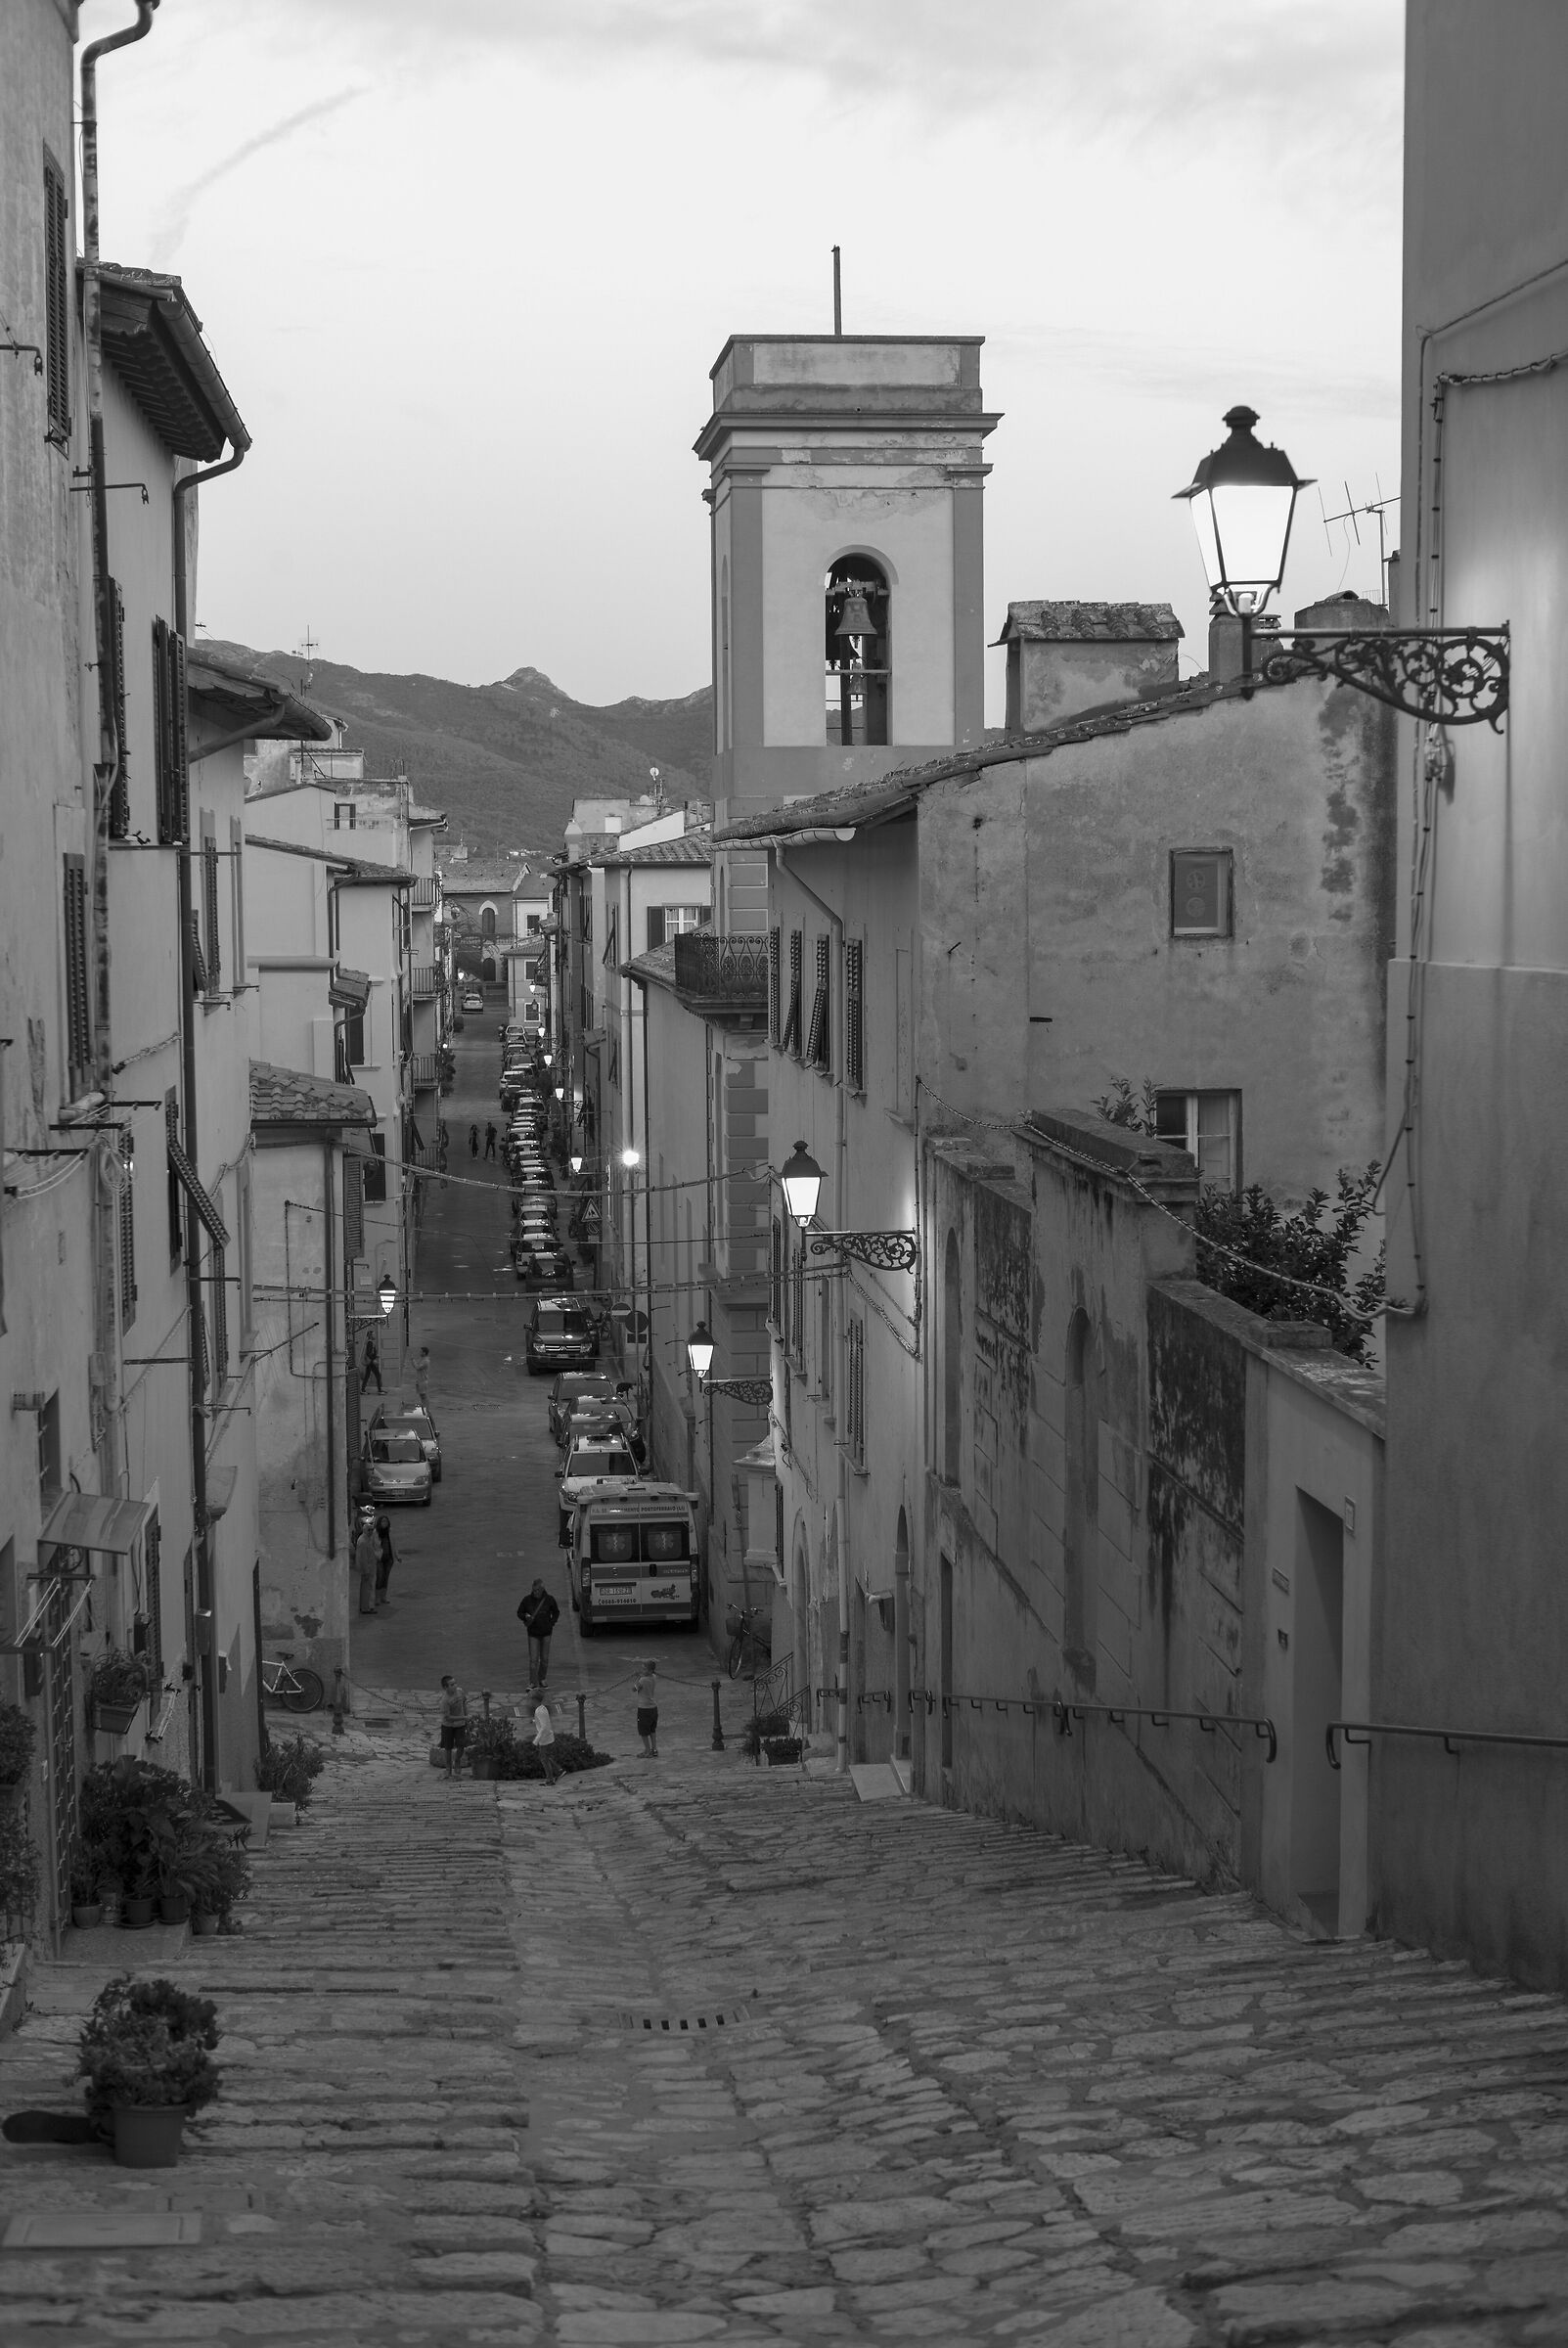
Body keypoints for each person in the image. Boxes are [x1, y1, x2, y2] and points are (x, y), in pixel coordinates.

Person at [517, 1577, 560, 1684]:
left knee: (545, 1659)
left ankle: (542, 1679)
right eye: (534, 1590)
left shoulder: (550, 1599)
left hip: (546, 1633)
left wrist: (551, 1623)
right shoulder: (526, 1600)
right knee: (533, 1660)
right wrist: (525, 1616)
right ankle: (533, 1682)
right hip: (533, 1634)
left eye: (537, 1590)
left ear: (542, 1590)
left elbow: (556, 1612)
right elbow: (519, 1612)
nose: (535, 1592)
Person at [439, 1675, 468, 1780]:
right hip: (448, 1726)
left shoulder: (460, 1692)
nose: (455, 1686)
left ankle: (457, 1761)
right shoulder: (444, 1700)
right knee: (448, 1748)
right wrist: (463, 1717)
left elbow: (464, 1704)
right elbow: (448, 1717)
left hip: (460, 1725)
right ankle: (448, 1768)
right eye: (452, 1685)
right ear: (445, 1687)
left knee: (461, 1745)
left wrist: (465, 1717)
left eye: (455, 1683)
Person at [530, 1686, 560, 1785]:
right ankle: (557, 1772)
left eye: (532, 1700)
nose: (531, 1702)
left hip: (545, 1739)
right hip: (547, 1738)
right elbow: (544, 1721)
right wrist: (534, 1721)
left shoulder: (539, 1711)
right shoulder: (542, 1709)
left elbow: (544, 1727)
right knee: (545, 1758)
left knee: (544, 1759)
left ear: (535, 1700)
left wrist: (536, 1740)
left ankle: (550, 1779)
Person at [354, 1508, 380, 1616]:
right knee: (368, 1589)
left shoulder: (364, 1540)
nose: (370, 1532)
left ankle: (364, 1606)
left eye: (371, 1530)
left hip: (368, 1568)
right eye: (369, 1530)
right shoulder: (363, 1541)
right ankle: (367, 1607)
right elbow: (363, 1558)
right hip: (367, 1569)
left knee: (365, 1588)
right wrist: (366, 1570)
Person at [634, 1659, 658, 1757]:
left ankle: (647, 1751)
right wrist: (641, 1675)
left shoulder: (642, 1680)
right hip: (653, 1708)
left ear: (650, 1670)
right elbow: (648, 1676)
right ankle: (654, 1749)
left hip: (644, 1709)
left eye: (644, 1669)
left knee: (643, 1731)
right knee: (652, 1730)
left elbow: (634, 1688)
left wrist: (638, 1677)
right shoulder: (654, 1677)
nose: (642, 1670)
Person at [375, 1513, 395, 1605]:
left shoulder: (389, 1532)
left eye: (386, 1521)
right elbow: (373, 1545)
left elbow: (393, 1544)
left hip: (388, 1558)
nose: (385, 1523)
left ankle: (384, 1597)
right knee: (380, 1577)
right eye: (383, 1521)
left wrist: (397, 1556)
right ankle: (377, 1598)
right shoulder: (375, 1533)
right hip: (379, 1559)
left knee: (386, 1578)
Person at [361, 1328, 382, 1394]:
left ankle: (363, 1390)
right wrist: (373, 1360)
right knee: (378, 1375)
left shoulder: (370, 1342)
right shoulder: (370, 1343)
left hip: (370, 1362)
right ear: (370, 1336)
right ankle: (379, 1390)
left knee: (367, 1375)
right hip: (371, 1362)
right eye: (373, 1335)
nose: (375, 1336)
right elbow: (368, 1353)